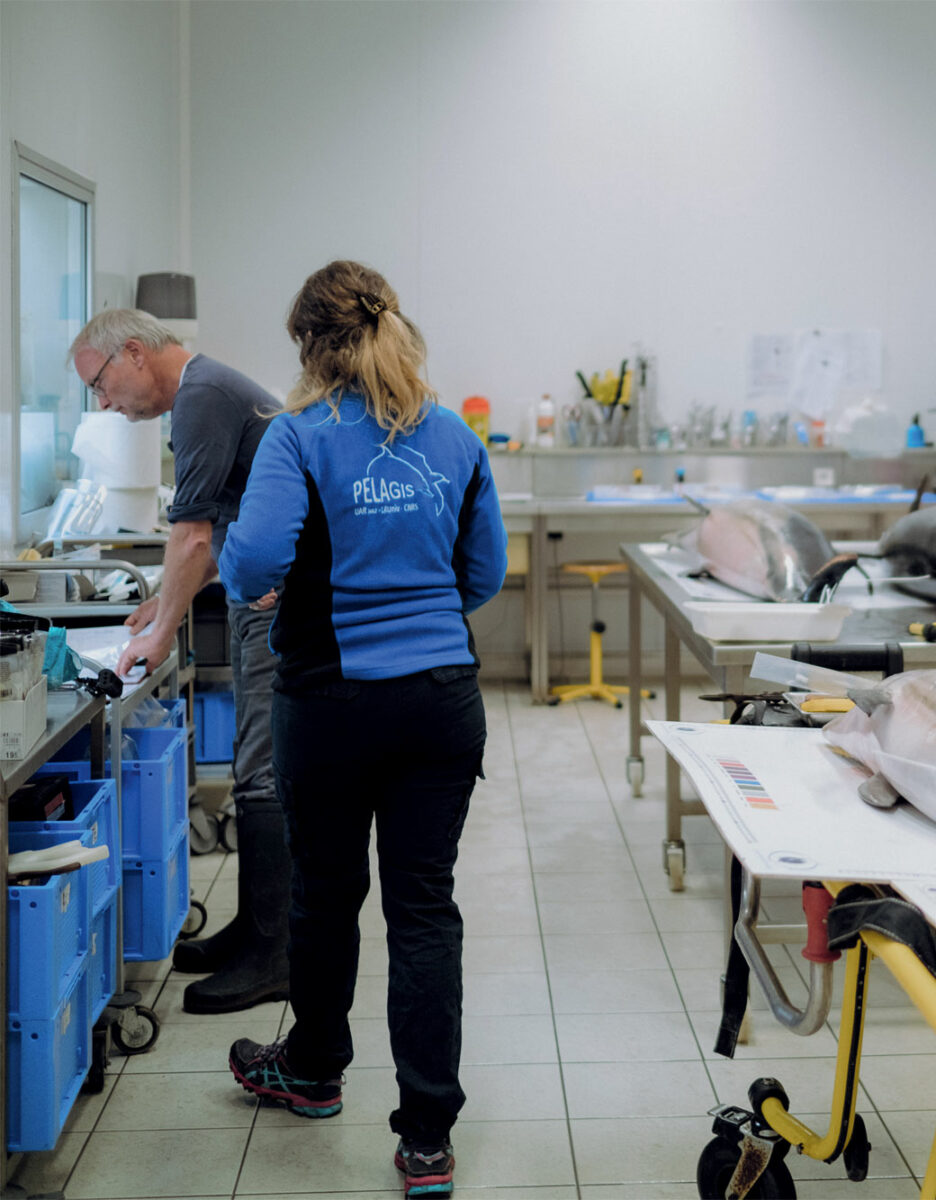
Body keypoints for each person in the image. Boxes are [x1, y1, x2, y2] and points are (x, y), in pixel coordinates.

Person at [219, 261, 504, 1198]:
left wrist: (276, 588)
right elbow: (481, 575)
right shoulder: (454, 435)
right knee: (423, 909)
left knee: (326, 895)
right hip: (440, 701)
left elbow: (251, 561)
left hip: (330, 705)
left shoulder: (297, 435)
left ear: (309, 344)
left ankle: (313, 1071)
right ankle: (427, 1140)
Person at [68, 310, 291, 1014]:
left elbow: (192, 536)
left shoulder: (201, 397)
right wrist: (162, 602)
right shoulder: (203, 393)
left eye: (101, 384)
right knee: (257, 766)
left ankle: (274, 956)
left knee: (262, 770)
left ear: (134, 353)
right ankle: (254, 933)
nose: (105, 404)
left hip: (281, 603)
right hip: (266, 591)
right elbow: (219, 532)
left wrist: (162, 631)